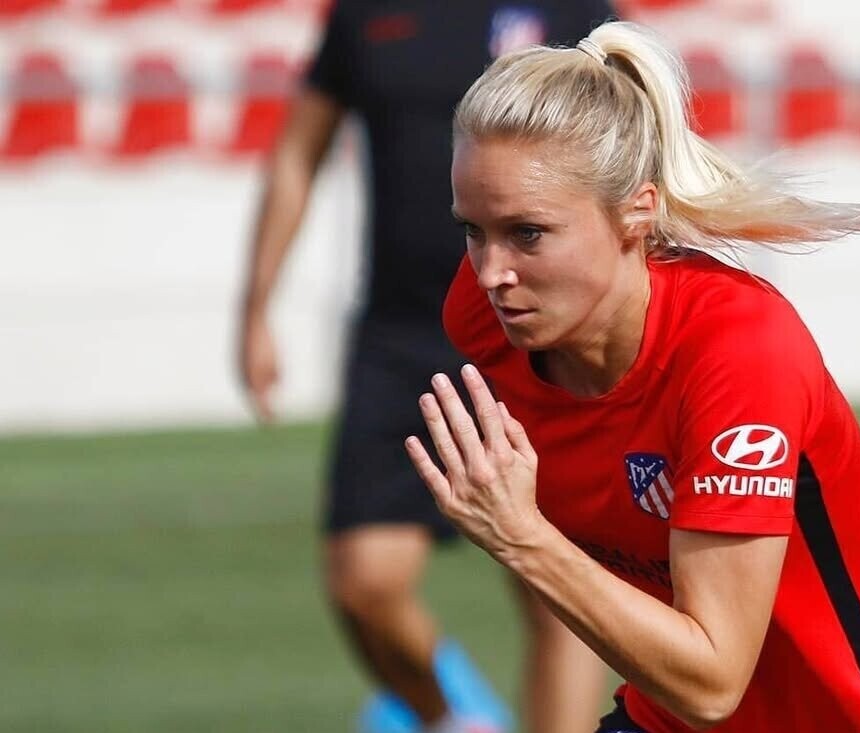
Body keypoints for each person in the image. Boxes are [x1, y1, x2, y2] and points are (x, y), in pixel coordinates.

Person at [403, 20, 860, 733]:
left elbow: (713, 680)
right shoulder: (487, 318)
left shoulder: (737, 351)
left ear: (637, 211)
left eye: (527, 233)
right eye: (473, 230)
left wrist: (523, 537)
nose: (492, 272)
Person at [236, 2, 615, 732]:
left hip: (541, 338)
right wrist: (257, 308)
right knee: (364, 582)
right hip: (401, 336)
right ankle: (454, 722)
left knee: (560, 596)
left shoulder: (574, 7)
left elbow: (630, 148)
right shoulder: (364, 12)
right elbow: (298, 152)